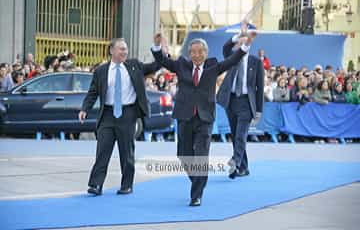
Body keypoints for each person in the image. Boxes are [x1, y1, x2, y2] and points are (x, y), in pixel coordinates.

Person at [151, 28, 256, 206]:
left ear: (206, 53)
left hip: (205, 119)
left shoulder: (213, 66)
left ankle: (196, 195)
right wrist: (157, 44)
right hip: (185, 117)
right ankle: (198, 181)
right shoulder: (181, 65)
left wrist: (246, 44)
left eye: (200, 52)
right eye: (193, 52)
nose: (197, 55)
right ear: (189, 53)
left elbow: (232, 59)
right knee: (184, 155)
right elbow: (162, 59)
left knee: (201, 156)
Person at [79, 38, 162, 196]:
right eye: (121, 49)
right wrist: (85, 109)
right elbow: (93, 93)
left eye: (126, 49)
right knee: (102, 151)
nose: (124, 52)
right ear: (111, 51)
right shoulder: (101, 71)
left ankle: (126, 185)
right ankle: (96, 185)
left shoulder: (134, 66)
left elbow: (156, 66)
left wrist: (157, 48)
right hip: (107, 115)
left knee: (127, 153)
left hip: (128, 114)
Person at [217, 27, 264, 179]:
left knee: (240, 135)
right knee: (235, 134)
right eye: (240, 41)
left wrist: (258, 111)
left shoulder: (255, 62)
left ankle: (235, 162)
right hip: (231, 101)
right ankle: (244, 167)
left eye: (245, 41)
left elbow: (260, 87)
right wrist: (238, 36)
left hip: (246, 102)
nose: (242, 43)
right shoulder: (232, 57)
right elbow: (225, 47)